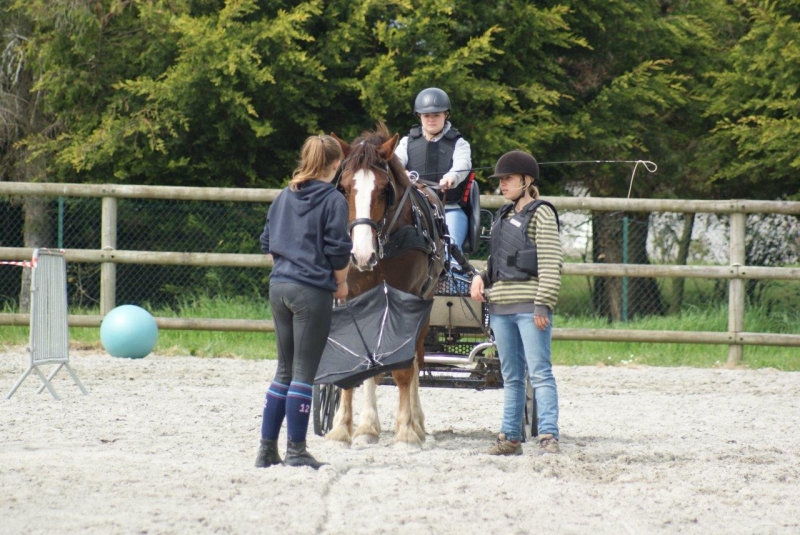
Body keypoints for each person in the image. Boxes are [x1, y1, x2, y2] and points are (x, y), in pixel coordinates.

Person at [255, 135, 351, 469]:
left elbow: (267, 242)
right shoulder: (333, 200)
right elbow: (338, 250)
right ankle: (296, 449)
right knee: (303, 374)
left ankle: (267, 449)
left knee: (283, 370)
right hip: (311, 291)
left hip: (279, 287)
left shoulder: (284, 195)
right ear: (336, 164)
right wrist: (341, 282)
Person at [470, 150, 564, 456]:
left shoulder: (542, 213)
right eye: (501, 180)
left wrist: (543, 304)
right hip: (500, 309)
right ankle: (510, 436)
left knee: (539, 373)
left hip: (529, 308)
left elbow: (551, 262)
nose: (503, 185)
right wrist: (481, 276)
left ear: (526, 180)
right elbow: (496, 260)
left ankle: (548, 434)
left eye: (508, 179)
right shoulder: (502, 215)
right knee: (511, 376)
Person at [394, 87, 472, 270]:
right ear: (419, 116)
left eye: (436, 115)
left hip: (449, 209)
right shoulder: (407, 142)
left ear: (446, 115)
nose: (431, 119)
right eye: (426, 115)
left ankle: (453, 278)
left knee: (449, 248)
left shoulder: (459, 143)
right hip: (414, 209)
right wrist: (401, 173)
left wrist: (452, 176)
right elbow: (395, 161)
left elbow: (464, 163)